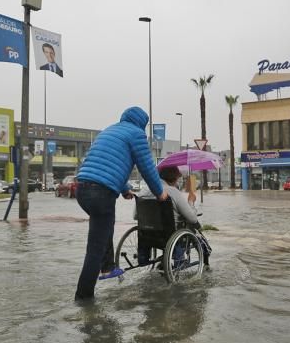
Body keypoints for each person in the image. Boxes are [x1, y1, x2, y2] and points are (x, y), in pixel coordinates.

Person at [74, 106, 168, 301]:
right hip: (101, 192)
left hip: (82, 189)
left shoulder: (109, 130)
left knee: (104, 226)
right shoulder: (136, 135)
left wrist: (124, 189)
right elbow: (147, 168)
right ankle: (83, 300)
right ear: (142, 123)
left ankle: (108, 266)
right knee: (94, 248)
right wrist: (160, 193)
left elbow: (106, 164)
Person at [136, 165, 201, 269]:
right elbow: (193, 218)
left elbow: (135, 216)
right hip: (169, 235)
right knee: (192, 226)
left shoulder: (144, 191)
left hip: (147, 235)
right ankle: (181, 259)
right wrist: (191, 201)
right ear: (175, 178)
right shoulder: (173, 191)